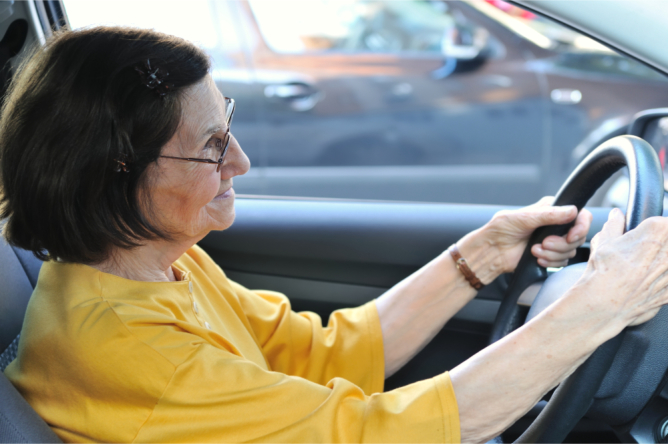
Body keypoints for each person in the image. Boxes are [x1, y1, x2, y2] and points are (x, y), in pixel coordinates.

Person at [2, 26, 668, 443]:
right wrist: (599, 304)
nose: (241, 162)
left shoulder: (157, 260)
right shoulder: (130, 351)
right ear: (114, 177)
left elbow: (324, 354)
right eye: (210, 147)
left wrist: (481, 254)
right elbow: (376, 435)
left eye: (226, 126)